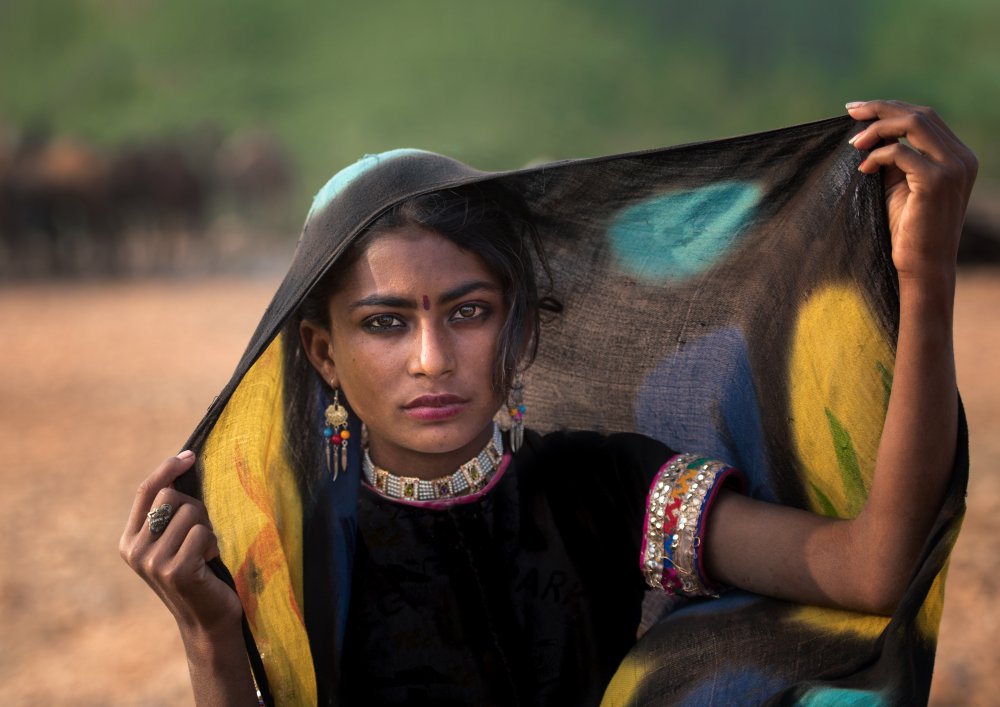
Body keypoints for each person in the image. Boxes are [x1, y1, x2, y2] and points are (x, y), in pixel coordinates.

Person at [121, 100, 976, 706]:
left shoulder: (606, 489)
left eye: (468, 311)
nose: (432, 358)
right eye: (385, 323)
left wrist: (923, 276)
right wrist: (208, 630)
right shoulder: (287, 535)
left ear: (519, 329)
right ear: (323, 354)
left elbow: (874, 570)